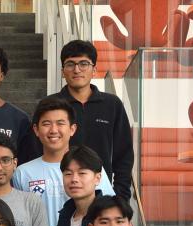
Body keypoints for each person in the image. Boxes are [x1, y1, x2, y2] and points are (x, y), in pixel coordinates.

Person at [13, 96, 113, 226]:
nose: (53, 130)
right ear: (36, 130)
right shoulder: (22, 173)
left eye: (60, 123)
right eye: (46, 124)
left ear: (72, 129)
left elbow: (110, 210)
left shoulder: (92, 168)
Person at [54, 40, 134, 200]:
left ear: (94, 70)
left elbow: (123, 155)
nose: (77, 70)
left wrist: (121, 195)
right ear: (63, 71)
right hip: (60, 191)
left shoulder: (112, 105)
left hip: (102, 192)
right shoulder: (52, 105)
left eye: (83, 63)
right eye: (70, 64)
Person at [54, 145, 139, 226]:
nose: (74, 179)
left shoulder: (114, 215)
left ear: (97, 178)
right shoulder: (65, 216)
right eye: (68, 174)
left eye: (82, 173)